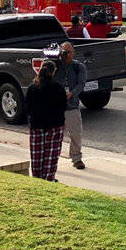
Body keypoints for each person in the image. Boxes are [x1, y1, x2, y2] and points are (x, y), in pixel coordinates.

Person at [25, 60, 67, 181]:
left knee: (37, 155)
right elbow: (63, 106)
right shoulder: (58, 88)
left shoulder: (32, 88)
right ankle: (49, 179)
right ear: (53, 72)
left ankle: (37, 179)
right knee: (51, 156)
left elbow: (27, 106)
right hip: (55, 126)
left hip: (36, 125)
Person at [57, 42, 87, 170]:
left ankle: (76, 158)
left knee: (75, 133)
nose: (66, 54)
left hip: (71, 105)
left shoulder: (78, 67)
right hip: (56, 106)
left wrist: (72, 93)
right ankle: (52, 159)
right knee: (55, 135)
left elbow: (81, 84)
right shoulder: (54, 66)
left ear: (73, 52)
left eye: (69, 52)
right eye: (64, 51)